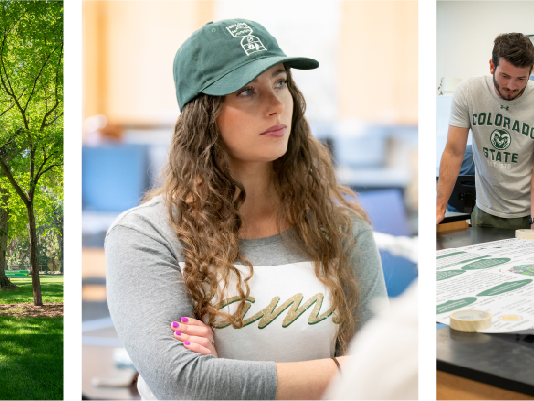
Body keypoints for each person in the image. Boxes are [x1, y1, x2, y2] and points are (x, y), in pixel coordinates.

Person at [104, 19, 386, 400]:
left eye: (281, 82)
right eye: (247, 91)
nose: (275, 105)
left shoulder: (343, 229)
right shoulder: (145, 235)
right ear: (204, 114)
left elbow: (382, 378)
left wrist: (224, 372)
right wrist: (343, 369)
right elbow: (181, 383)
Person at [436, 33, 534, 236]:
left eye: (521, 79)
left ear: (531, 72)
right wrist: (439, 207)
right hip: (487, 211)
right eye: (505, 76)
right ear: (491, 66)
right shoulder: (469, 92)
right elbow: (453, 152)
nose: (511, 86)